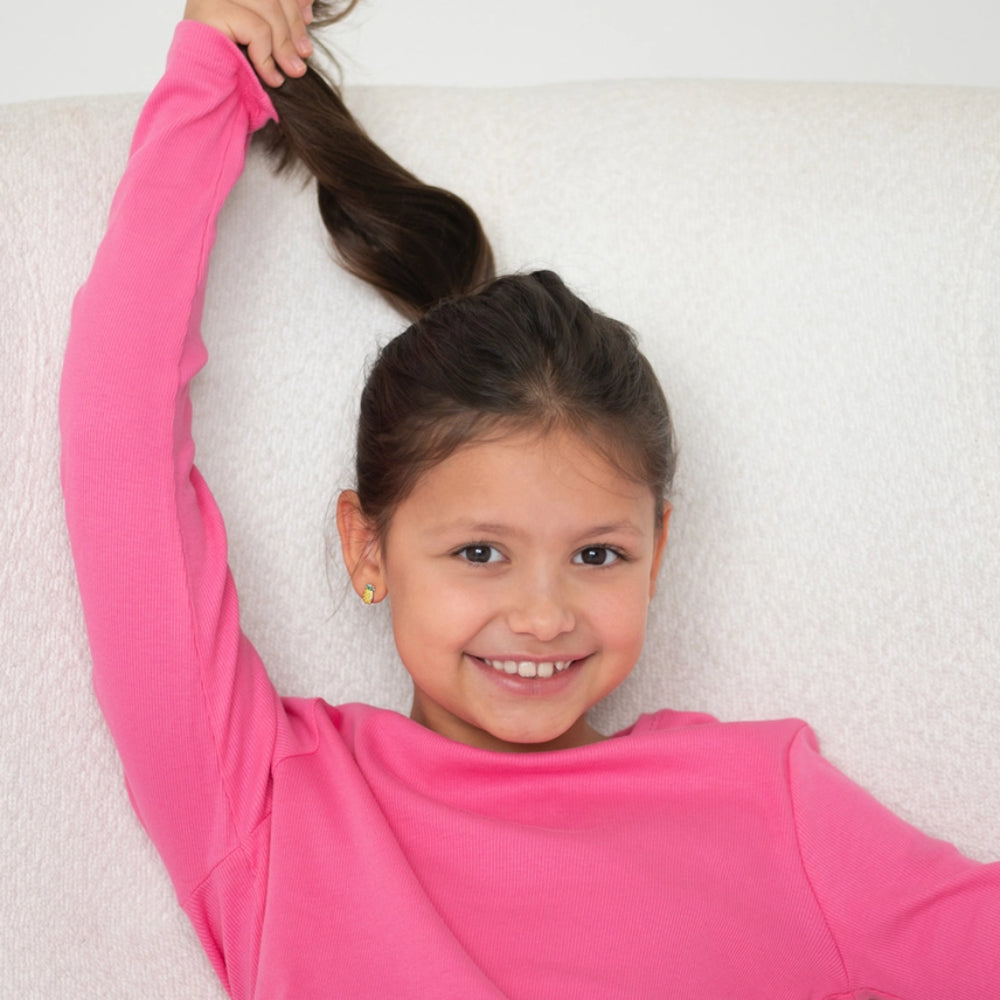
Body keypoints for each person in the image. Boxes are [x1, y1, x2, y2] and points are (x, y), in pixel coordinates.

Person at [60, 1, 999, 996]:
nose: (544, 614)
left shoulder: (765, 800)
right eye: (479, 552)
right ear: (366, 547)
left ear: (659, 547)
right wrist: (212, 74)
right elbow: (116, 445)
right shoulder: (269, 799)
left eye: (597, 555)